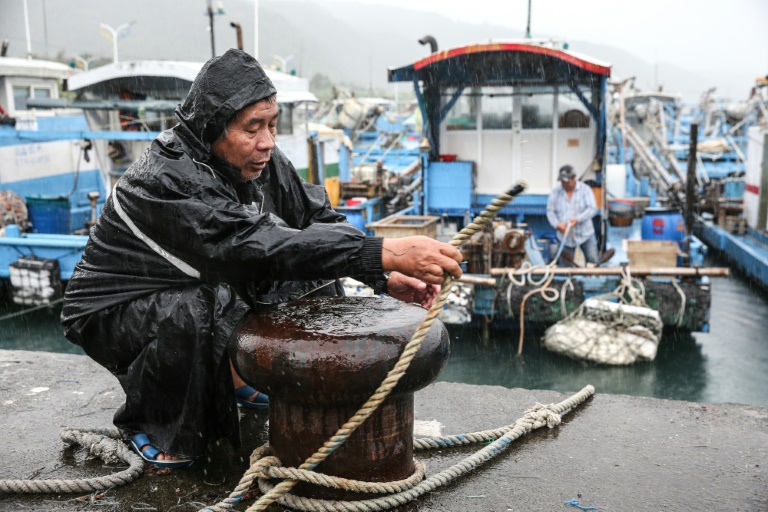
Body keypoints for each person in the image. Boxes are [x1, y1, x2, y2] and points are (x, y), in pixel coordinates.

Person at [60, 49, 463, 468]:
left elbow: (316, 219)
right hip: (111, 310)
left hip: (200, 275)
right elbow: (250, 245)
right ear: (213, 127)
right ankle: (159, 422)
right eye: (253, 127)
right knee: (192, 308)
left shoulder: (257, 158)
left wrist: (382, 276)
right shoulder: (167, 179)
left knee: (312, 269)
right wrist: (388, 251)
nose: (268, 141)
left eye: (272, 124)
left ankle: (238, 378)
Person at [546, 165, 599, 266]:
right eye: (562, 181)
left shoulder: (585, 190)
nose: (564, 184)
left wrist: (578, 219)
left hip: (585, 235)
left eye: (567, 181)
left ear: (574, 178)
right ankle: (569, 282)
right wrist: (557, 225)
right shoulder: (555, 192)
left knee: (593, 263)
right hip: (565, 238)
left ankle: (592, 280)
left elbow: (592, 209)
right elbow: (550, 211)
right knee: (565, 268)